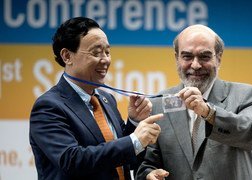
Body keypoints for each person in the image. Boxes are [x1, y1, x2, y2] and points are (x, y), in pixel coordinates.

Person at [29, 17, 163, 180]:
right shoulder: (49, 106)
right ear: (67, 56)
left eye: (107, 52)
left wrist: (134, 122)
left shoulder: (106, 99)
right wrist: (134, 140)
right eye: (96, 52)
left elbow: (121, 158)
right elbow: (72, 160)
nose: (106, 59)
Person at [136, 25, 252, 180]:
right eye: (187, 56)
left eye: (204, 56)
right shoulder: (158, 103)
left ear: (219, 58)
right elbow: (147, 165)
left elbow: (251, 135)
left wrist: (208, 112)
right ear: (177, 58)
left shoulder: (245, 95)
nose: (195, 65)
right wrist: (149, 174)